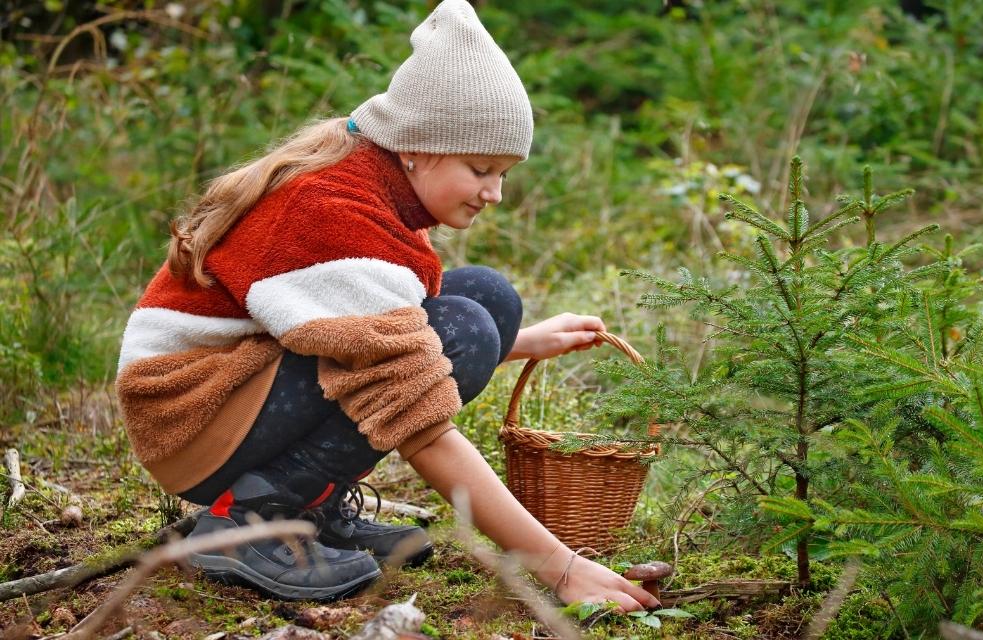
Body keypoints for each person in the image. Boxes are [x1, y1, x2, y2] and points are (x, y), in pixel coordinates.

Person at [115, 0, 658, 611]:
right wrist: (558, 567)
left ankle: (309, 504)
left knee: (486, 299)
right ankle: (250, 518)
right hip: (191, 418)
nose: (495, 193)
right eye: (481, 168)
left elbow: (384, 333)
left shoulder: (376, 178)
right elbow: (417, 421)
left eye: (504, 173)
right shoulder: (332, 211)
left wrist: (524, 341)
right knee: (463, 327)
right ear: (417, 148)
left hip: (235, 393)